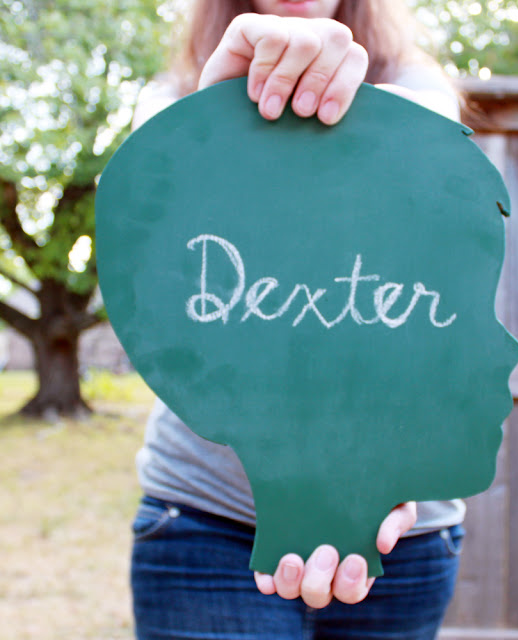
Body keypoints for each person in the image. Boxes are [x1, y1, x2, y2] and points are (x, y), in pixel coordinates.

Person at [130, 1, 465, 638]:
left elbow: (430, 246)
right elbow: (161, 281)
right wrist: (219, 112)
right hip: (208, 520)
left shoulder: (420, 89)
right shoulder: (169, 101)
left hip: (399, 530)